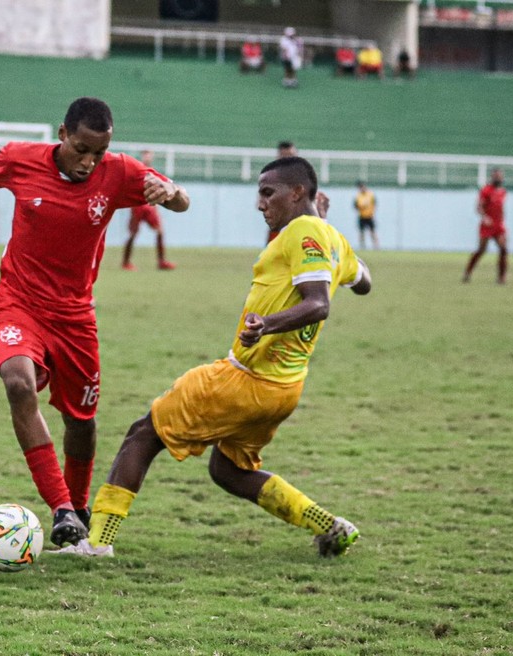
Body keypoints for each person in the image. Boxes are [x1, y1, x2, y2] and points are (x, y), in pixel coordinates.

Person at [0, 97, 190, 547]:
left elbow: (181, 202)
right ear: (62, 134)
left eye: (99, 152)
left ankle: (77, 506)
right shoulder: (18, 158)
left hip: (75, 317)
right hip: (18, 303)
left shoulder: (120, 171)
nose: (89, 162)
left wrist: (169, 193)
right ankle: (61, 508)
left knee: (82, 422)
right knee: (18, 383)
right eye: (81, 149)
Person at [54, 156, 371, 559]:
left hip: (246, 379)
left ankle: (97, 542)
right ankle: (330, 527)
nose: (260, 204)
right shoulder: (330, 238)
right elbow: (364, 282)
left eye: (267, 192)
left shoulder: (304, 231)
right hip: (285, 389)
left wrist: (266, 325)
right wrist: (329, 235)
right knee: (228, 471)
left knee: (143, 434)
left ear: (298, 192)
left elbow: (318, 304)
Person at [122, 151, 177, 271]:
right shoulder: (137, 169)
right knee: (133, 234)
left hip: (150, 205)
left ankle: (161, 261)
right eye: (146, 155)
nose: (148, 157)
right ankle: (126, 262)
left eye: (149, 155)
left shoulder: (153, 172)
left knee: (160, 231)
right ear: (142, 157)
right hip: (137, 206)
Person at [463, 168, 507, 284]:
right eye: (497, 176)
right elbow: (479, 207)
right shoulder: (486, 191)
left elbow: (500, 208)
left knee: (503, 249)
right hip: (487, 226)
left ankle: (501, 277)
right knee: (481, 250)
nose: (499, 178)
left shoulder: (502, 192)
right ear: (492, 178)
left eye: (500, 176)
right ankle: (467, 272)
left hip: (498, 226)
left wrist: (502, 220)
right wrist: (485, 217)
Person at [266, 141, 299, 244]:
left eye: (291, 156)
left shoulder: (303, 175)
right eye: (284, 156)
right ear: (278, 156)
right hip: (278, 225)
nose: (287, 159)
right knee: (271, 257)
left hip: (298, 225)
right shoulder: (270, 175)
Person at [354, 181, 380, 250]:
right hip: (362, 216)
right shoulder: (358, 196)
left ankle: (376, 247)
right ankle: (362, 247)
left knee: (373, 232)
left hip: (370, 216)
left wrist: (372, 211)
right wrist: (361, 208)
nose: (362, 188)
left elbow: (374, 204)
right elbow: (355, 206)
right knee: (361, 233)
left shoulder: (370, 194)